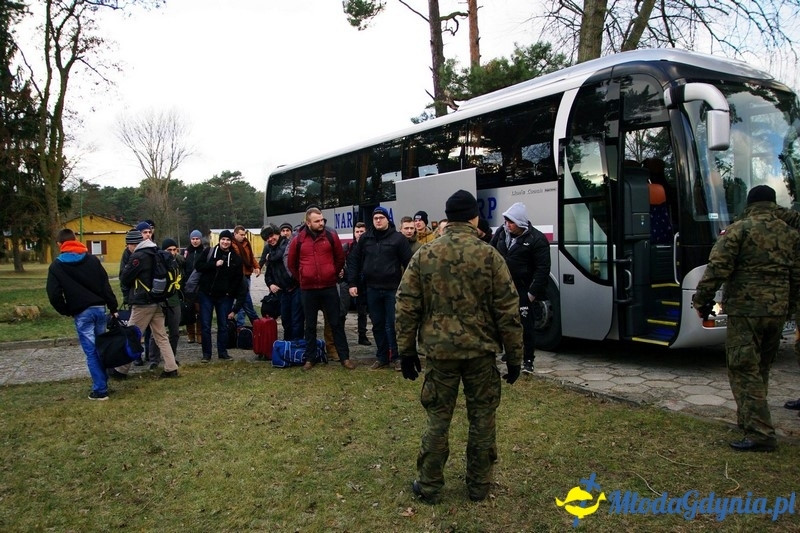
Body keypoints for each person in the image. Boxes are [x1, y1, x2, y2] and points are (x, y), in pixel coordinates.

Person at [396, 189, 523, 504]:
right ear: (474, 217)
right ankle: (479, 485)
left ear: (447, 217)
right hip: (480, 353)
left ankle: (429, 486)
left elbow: (406, 305)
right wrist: (515, 356)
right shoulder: (489, 255)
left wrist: (406, 350)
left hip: (441, 354)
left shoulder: (424, 255)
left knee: (438, 417)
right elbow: (508, 308)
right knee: (482, 416)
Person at [693, 185, 800, 453]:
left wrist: (701, 300)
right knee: (760, 368)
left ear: (750, 203)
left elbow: (717, 267)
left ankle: (761, 433)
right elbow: (797, 277)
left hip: (746, 311)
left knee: (743, 369)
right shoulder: (790, 234)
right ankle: (749, 420)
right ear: (773, 204)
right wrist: (790, 308)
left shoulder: (740, 230)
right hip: (777, 311)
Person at [47, 229, 120, 400]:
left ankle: (100, 389)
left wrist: (66, 310)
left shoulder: (57, 266)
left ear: (60, 244)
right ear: (75, 240)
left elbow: (54, 294)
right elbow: (105, 285)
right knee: (101, 346)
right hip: (99, 309)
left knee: (91, 351)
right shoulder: (92, 260)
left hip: (81, 312)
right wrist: (113, 307)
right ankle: (103, 381)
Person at [287, 207, 357, 370]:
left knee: (336, 323)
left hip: (328, 287)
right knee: (310, 325)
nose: (321, 223)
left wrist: (331, 274)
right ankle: (310, 359)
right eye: (317, 221)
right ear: (308, 222)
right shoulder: (298, 240)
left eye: (322, 220)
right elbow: (291, 264)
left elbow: (340, 258)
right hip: (308, 289)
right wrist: (303, 278)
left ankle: (344, 358)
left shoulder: (331, 236)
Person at [348, 206, 412, 370]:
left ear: (387, 219)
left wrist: (410, 286)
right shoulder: (365, 239)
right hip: (372, 289)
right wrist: (353, 283)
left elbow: (409, 263)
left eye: (381, 218)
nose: (378, 220)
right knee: (377, 324)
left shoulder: (398, 239)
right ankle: (382, 356)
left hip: (392, 289)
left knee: (392, 324)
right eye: (375, 218)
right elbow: (354, 260)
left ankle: (397, 358)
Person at [491, 202, 550, 375]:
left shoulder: (536, 239)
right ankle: (509, 353)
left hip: (523, 288)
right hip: (501, 287)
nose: (508, 225)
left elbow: (543, 269)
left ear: (520, 222)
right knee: (502, 322)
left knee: (525, 325)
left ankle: (528, 359)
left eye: (511, 222)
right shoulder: (502, 233)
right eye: (506, 221)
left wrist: (532, 294)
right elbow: (491, 250)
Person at [116, 227, 180, 378]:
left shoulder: (138, 257)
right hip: (156, 300)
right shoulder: (155, 251)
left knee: (132, 335)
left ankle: (120, 370)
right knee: (161, 336)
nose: (128, 248)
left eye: (128, 245)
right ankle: (171, 367)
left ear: (133, 244)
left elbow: (125, 278)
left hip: (142, 303)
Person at [194, 230, 245, 362]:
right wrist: (213, 264)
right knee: (206, 325)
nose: (225, 242)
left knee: (223, 325)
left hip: (224, 297)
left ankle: (222, 352)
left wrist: (230, 293)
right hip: (206, 294)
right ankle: (206, 354)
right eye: (223, 239)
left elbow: (238, 279)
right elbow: (198, 266)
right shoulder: (209, 252)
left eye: (228, 240)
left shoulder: (235, 258)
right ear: (219, 240)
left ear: (231, 242)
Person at [263, 224, 304, 341]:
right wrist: (271, 284)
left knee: (297, 320)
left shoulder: (287, 244)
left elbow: (280, 254)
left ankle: (297, 346)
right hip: (282, 292)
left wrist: (269, 257)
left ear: (278, 233)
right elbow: (267, 275)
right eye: (267, 238)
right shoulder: (270, 251)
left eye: (272, 236)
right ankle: (287, 347)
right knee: (286, 321)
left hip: (295, 288)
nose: (270, 239)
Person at [148, 238, 183, 369]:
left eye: (175, 250)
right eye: (169, 250)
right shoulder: (157, 263)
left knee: (175, 332)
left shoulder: (179, 262)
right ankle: (154, 359)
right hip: (160, 301)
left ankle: (171, 357)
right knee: (156, 333)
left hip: (174, 300)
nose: (172, 252)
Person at [345, 222, 371, 346]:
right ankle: (359, 335)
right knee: (349, 311)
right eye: (357, 231)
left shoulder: (370, 245)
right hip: (353, 282)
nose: (359, 234)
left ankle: (363, 335)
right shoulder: (349, 247)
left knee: (365, 311)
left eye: (362, 231)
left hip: (367, 282)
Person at [231, 225, 261, 326]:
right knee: (243, 300)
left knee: (243, 300)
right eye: (241, 235)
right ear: (235, 234)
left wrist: (257, 267)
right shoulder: (231, 245)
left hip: (247, 275)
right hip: (237, 277)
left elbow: (251, 257)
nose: (243, 236)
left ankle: (241, 324)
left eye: (244, 235)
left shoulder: (246, 243)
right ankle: (254, 322)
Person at [182, 229, 206, 343]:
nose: (195, 241)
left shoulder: (204, 251)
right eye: (193, 239)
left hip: (200, 286)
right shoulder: (186, 252)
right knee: (189, 312)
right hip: (188, 287)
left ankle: (200, 334)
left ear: (200, 239)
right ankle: (190, 334)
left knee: (200, 311)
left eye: (197, 239)